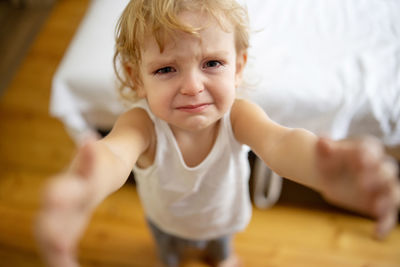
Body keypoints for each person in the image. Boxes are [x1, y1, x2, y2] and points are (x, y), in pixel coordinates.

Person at [35, 0, 400, 266]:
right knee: (168, 251)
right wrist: (86, 184)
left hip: (222, 219)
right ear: (136, 78)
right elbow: (114, 154)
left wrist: (321, 168)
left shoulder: (239, 116)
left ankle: (221, 258)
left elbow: (280, 142)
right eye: (166, 69)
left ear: (238, 67)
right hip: (165, 221)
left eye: (212, 63)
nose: (193, 86)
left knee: (222, 249)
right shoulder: (142, 124)